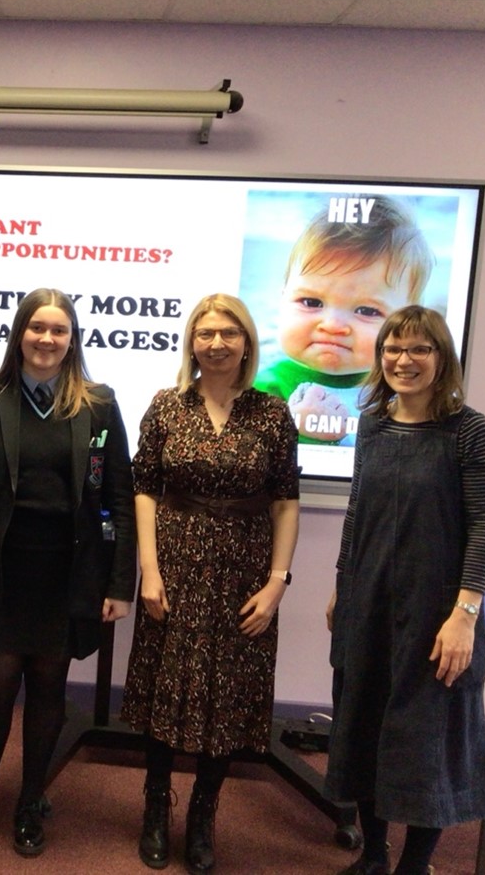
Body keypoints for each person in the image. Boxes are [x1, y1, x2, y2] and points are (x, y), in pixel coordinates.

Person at [0, 287, 136, 858]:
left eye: (59, 330)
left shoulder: (98, 405)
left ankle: (30, 799)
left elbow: (119, 499)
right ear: (19, 334)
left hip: (68, 575)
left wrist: (118, 584)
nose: (47, 339)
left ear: (73, 340)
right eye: (37, 327)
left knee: (49, 688)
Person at [120, 293, 300, 873]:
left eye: (229, 333)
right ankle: (155, 808)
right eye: (205, 333)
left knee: (226, 698)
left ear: (247, 342)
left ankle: (203, 816)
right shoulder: (166, 405)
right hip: (174, 567)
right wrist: (148, 570)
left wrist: (277, 582)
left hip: (245, 574)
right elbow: (144, 489)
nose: (216, 343)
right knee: (164, 690)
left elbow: (286, 501)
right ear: (191, 343)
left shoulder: (272, 413)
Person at [325, 305, 485, 875]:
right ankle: (374, 857)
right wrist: (342, 585)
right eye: (393, 348)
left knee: (428, 745)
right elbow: (358, 512)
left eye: (419, 348)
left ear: (441, 357)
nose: (404, 360)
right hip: (369, 602)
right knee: (364, 728)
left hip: (437, 613)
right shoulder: (373, 425)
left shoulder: (471, 432)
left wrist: (464, 614)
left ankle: (413, 867)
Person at [253, 195, 432, 444]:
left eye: (367, 311)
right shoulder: (266, 388)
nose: (333, 325)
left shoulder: (409, 396)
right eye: (311, 302)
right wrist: (302, 433)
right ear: (283, 299)